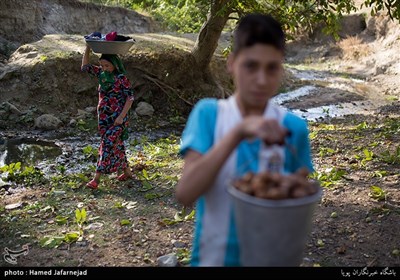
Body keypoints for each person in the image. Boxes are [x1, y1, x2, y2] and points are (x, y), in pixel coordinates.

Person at [175, 14, 314, 266]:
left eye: (272, 68)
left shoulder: (293, 129)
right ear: (231, 64)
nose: (261, 80)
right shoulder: (209, 115)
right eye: (251, 66)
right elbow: (185, 193)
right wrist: (237, 133)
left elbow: (294, 210)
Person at [81, 45, 135, 189]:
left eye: (107, 65)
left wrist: (121, 117)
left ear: (115, 65)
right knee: (117, 144)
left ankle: (96, 179)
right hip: (104, 118)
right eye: (102, 65)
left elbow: (130, 98)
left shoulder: (121, 79)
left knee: (107, 145)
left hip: (118, 119)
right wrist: (87, 48)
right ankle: (127, 172)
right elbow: (85, 67)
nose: (104, 68)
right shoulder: (101, 74)